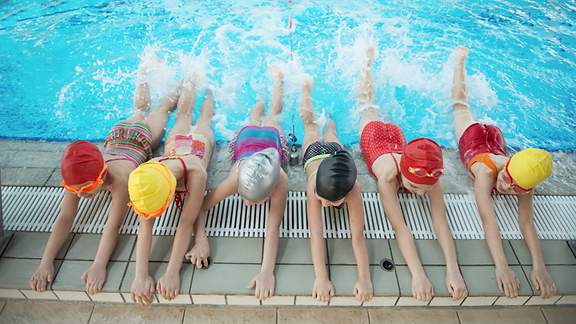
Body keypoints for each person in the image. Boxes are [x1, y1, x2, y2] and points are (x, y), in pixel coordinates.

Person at [29, 58, 179, 295]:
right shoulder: (78, 175)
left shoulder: (120, 181)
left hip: (141, 139)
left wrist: (99, 265)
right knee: (141, 110)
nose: (79, 194)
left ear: (100, 178)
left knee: (161, 109)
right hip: (117, 136)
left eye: (85, 189)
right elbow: (65, 219)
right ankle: (145, 69)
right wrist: (45, 261)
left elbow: (113, 227)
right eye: (75, 189)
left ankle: (184, 84)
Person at [358, 48, 467, 302]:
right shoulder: (388, 177)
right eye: (413, 187)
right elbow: (400, 227)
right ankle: (366, 64)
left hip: (397, 140)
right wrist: (418, 274)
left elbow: (441, 224)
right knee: (367, 103)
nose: (419, 193)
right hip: (374, 135)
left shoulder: (429, 178)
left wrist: (454, 270)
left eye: (423, 189)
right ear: (403, 175)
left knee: (377, 106)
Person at [451, 46, 555, 299]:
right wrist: (502, 266)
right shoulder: (486, 173)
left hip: (495, 139)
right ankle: (459, 63)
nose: (507, 187)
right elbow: (489, 221)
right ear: (507, 167)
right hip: (474, 136)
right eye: (507, 178)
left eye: (514, 186)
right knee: (458, 104)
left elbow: (526, 222)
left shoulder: (523, 178)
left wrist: (539, 267)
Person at [185, 66, 288, 301]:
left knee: (270, 115)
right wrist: (200, 239)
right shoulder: (235, 180)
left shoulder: (280, 180)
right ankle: (275, 84)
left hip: (270, 138)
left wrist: (266, 272)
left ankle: (274, 86)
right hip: (246, 139)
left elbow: (273, 228)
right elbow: (198, 204)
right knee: (267, 115)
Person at [127, 72, 215, 305]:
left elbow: (186, 223)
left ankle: (209, 91)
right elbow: (144, 226)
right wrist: (140, 275)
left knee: (203, 120)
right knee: (184, 115)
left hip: (198, 146)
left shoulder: (197, 173)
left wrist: (172, 272)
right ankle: (190, 81)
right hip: (177, 146)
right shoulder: (147, 176)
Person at [299, 79, 373, 304]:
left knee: (330, 129)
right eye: (323, 200)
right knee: (311, 128)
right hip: (314, 154)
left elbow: (358, 237)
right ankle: (307, 91)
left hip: (336, 154)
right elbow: (317, 234)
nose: (325, 205)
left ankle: (327, 111)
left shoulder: (354, 190)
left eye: (330, 202)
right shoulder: (313, 187)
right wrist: (321, 278)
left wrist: (365, 278)